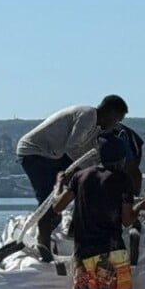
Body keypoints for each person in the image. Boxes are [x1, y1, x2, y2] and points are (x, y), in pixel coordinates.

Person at [51, 134, 145, 289]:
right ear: (122, 158)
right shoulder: (122, 179)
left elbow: (57, 207)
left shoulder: (80, 177)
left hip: (83, 253)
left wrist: (59, 183)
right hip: (112, 253)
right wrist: (140, 207)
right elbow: (126, 220)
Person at [16, 96, 129, 256]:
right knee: (47, 200)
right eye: (116, 120)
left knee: (83, 181)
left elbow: (91, 153)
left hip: (54, 154)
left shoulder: (96, 128)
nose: (115, 124)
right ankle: (44, 244)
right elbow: (72, 147)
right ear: (109, 114)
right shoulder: (88, 116)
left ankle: (72, 228)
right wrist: (94, 169)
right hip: (35, 152)